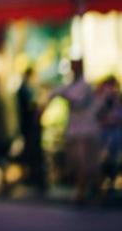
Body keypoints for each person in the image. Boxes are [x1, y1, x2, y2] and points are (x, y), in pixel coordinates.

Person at [51, 61, 101, 203]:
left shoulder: (86, 85)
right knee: (79, 164)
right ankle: (89, 193)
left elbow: (79, 103)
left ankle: (86, 193)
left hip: (87, 131)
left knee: (87, 164)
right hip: (75, 131)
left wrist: (64, 96)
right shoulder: (69, 85)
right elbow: (55, 92)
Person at [16, 68, 46, 194]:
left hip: (28, 127)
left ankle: (33, 178)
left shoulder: (24, 89)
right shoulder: (25, 90)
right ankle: (34, 178)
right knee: (32, 153)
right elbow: (30, 108)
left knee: (31, 153)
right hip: (30, 128)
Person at [97, 76, 122, 197]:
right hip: (104, 130)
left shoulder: (117, 98)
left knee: (113, 159)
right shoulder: (101, 98)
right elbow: (98, 114)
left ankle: (110, 185)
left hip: (115, 130)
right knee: (102, 159)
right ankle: (100, 185)